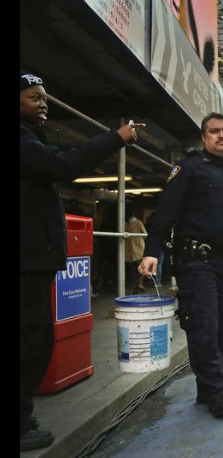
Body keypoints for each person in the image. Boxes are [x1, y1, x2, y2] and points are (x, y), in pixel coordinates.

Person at [20, 71, 141, 451]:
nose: (43, 103)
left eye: (45, 97)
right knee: (31, 340)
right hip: (26, 262)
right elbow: (62, 166)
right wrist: (114, 138)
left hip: (34, 259)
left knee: (35, 339)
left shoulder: (30, 137)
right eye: (34, 97)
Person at [138, 112, 223, 418]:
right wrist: (152, 251)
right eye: (215, 131)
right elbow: (164, 213)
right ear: (205, 137)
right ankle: (216, 389)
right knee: (204, 326)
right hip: (197, 262)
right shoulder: (189, 167)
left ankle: (212, 386)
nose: (222, 136)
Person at [125, 207, 148, 292]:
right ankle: (139, 284)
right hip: (139, 248)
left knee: (131, 269)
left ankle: (133, 285)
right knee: (141, 267)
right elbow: (145, 234)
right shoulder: (138, 222)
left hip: (127, 250)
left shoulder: (124, 223)